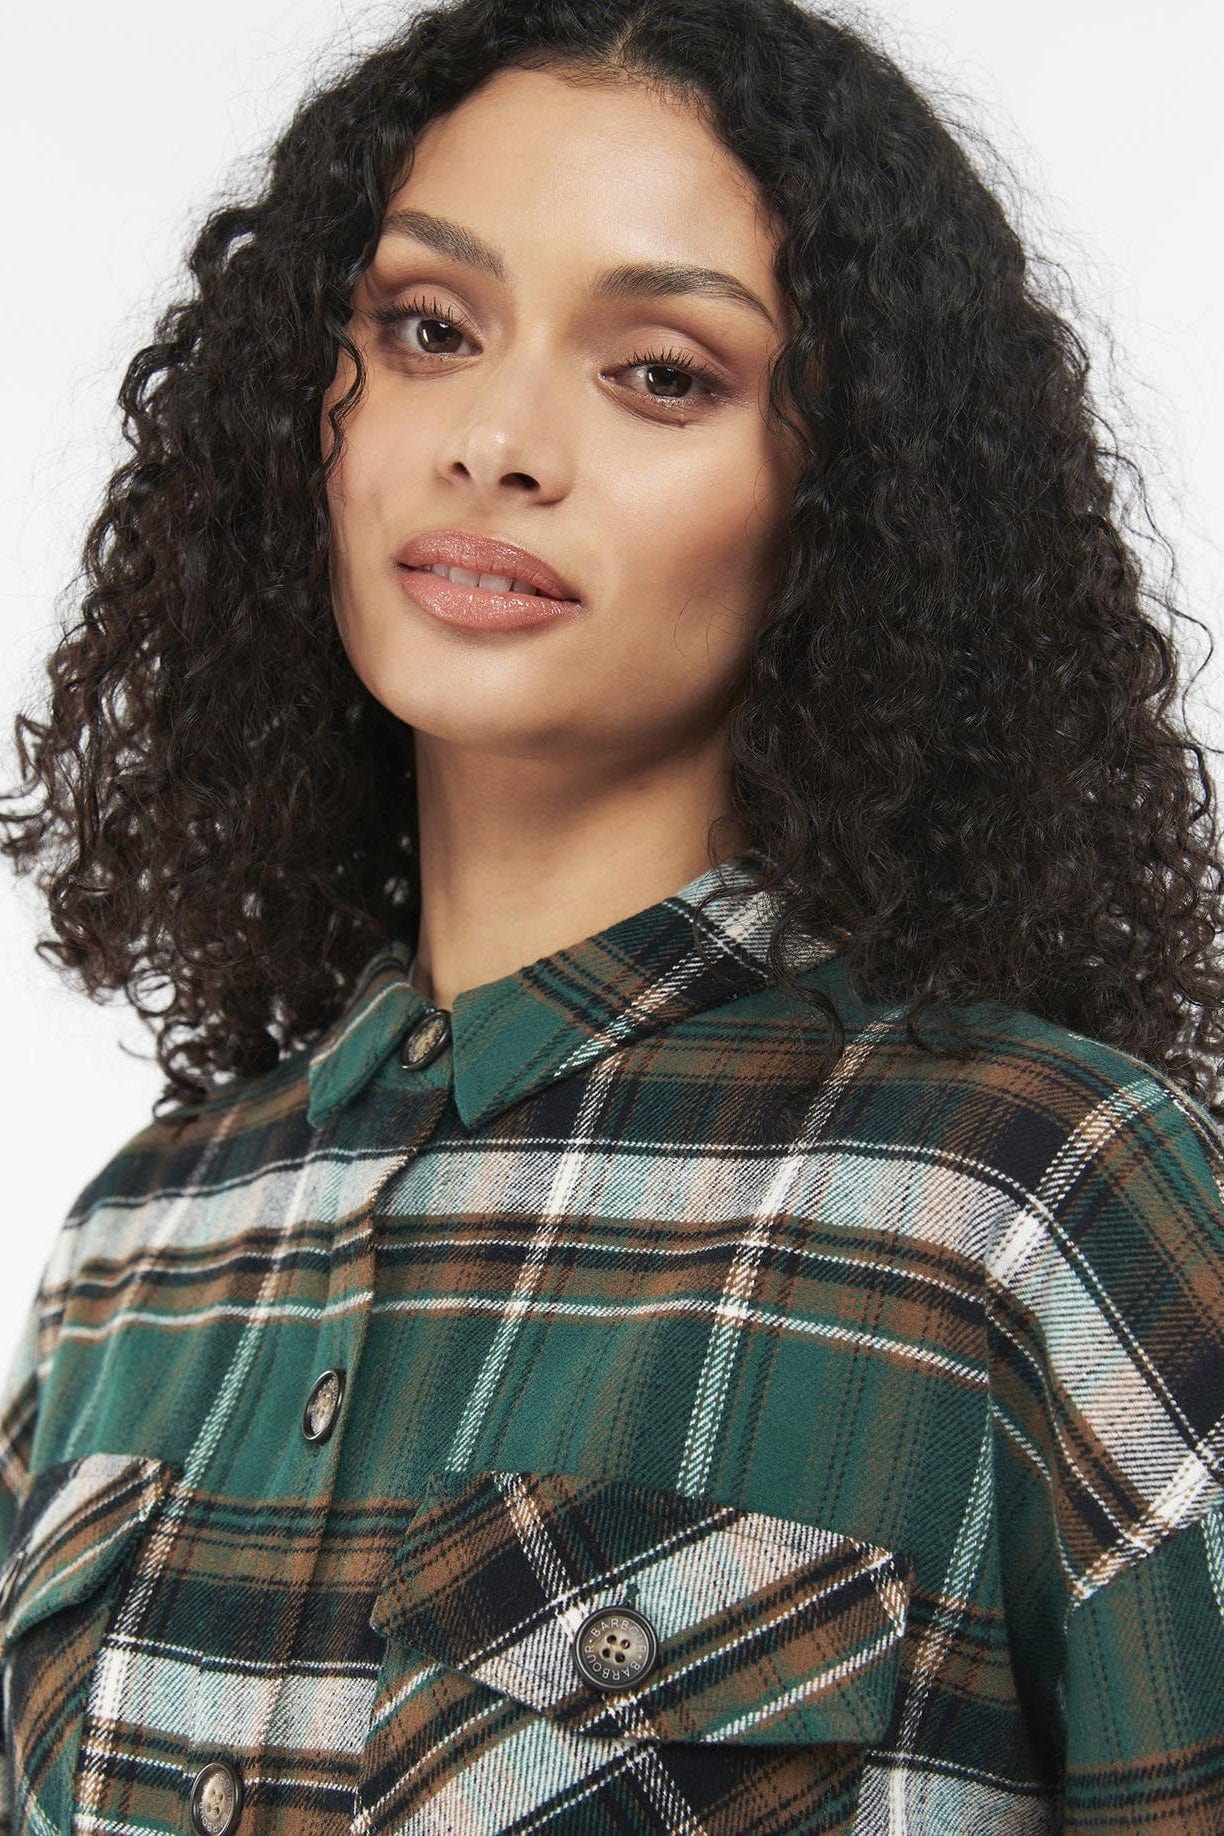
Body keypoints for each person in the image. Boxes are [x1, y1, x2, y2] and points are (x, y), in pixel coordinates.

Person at [1, 0, 1221, 1829]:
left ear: (850, 497)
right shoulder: (140, 1256)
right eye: (429, 329)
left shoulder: (1031, 1210)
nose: (496, 440)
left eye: (660, 373)